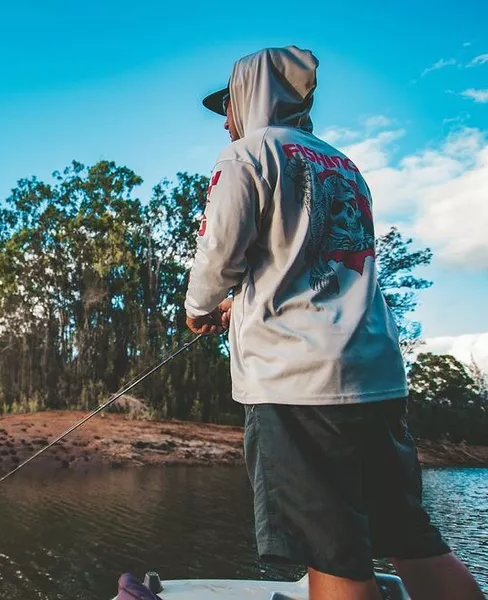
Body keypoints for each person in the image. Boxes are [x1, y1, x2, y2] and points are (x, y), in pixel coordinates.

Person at [184, 46, 484, 600]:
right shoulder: (343, 165)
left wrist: (201, 307)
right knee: (411, 537)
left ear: (253, 96)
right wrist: (240, 305)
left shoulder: (246, 156)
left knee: (334, 554)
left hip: (300, 387)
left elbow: (217, 257)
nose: (226, 119)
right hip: (376, 378)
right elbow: (314, 262)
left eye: (229, 104)